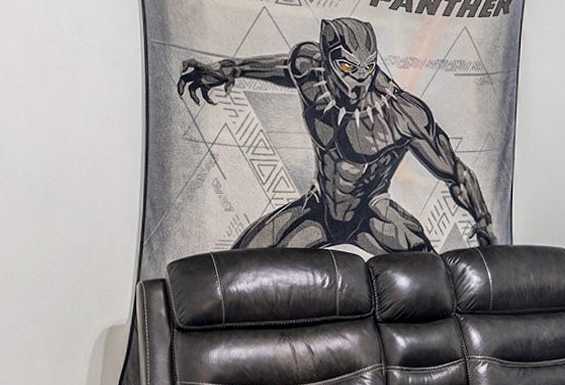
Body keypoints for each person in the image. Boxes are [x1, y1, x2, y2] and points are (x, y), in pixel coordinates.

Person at [176, 16, 496, 253]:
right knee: (244, 259)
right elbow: (285, 69)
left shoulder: (400, 113)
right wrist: (232, 68)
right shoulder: (309, 68)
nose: (359, 81)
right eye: (348, 68)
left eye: (367, 68)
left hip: (372, 215)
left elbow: (458, 174)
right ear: (328, 61)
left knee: (425, 269)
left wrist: (483, 223)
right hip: (321, 209)